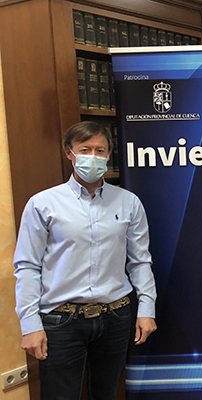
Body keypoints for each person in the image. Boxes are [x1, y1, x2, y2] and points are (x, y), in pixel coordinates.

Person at [13, 121, 157, 400]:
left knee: (106, 394)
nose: (93, 156)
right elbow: (27, 266)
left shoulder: (128, 202)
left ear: (108, 154)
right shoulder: (43, 204)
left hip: (115, 317)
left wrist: (146, 309)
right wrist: (30, 325)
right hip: (61, 321)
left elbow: (140, 262)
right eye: (85, 149)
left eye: (100, 150)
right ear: (69, 153)